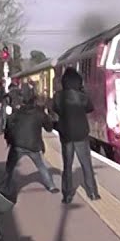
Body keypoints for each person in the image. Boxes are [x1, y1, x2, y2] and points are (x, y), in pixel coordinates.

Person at [52, 67, 99, 203]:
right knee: (86, 164)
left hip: (66, 134)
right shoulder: (82, 96)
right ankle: (92, 193)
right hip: (81, 134)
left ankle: (67, 195)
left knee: (67, 165)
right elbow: (90, 108)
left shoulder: (58, 96)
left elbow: (55, 109)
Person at [3, 91, 58, 196]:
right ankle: (51, 186)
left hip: (17, 145)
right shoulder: (39, 112)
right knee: (41, 166)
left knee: (9, 167)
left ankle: (5, 187)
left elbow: (9, 124)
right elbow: (49, 128)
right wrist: (48, 117)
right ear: (34, 101)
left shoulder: (17, 112)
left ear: (23, 101)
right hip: (33, 146)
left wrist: (9, 137)